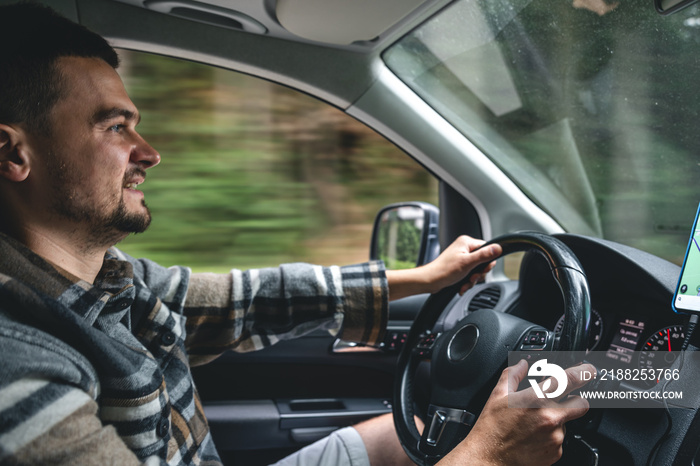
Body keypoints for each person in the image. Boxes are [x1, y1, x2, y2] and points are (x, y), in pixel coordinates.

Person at [0, 3, 593, 465]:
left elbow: (244, 300)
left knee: (405, 434)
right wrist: (487, 455)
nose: (149, 154)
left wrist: (420, 278)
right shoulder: (18, 364)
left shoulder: (108, 281)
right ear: (13, 153)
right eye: (114, 126)